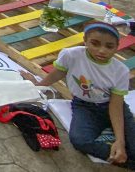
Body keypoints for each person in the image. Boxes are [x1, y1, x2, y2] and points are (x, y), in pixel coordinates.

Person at [22, 22, 135, 167]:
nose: (102, 50)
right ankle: (125, 159)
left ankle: (124, 155)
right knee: (80, 140)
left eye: (109, 46)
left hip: (113, 108)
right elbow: (58, 73)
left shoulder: (120, 71)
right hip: (84, 107)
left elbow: (116, 105)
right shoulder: (71, 55)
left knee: (130, 144)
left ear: (117, 46)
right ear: (85, 40)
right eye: (95, 43)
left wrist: (120, 140)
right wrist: (38, 84)